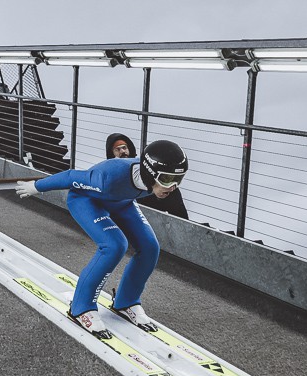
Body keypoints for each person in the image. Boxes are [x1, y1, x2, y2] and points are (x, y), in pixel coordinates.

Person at [16, 140, 189, 339]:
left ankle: (126, 302)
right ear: (150, 173)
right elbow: (71, 176)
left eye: (179, 179)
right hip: (87, 201)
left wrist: (166, 182)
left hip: (121, 202)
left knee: (150, 247)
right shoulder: (109, 176)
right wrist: (36, 186)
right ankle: (81, 307)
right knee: (114, 245)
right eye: (167, 179)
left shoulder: (151, 178)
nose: (173, 187)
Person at [106, 133, 189, 219]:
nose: (122, 151)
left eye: (124, 148)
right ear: (112, 155)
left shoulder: (148, 172)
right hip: (126, 217)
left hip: (152, 214)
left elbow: (181, 219)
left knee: (169, 189)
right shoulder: (111, 180)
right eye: (117, 149)